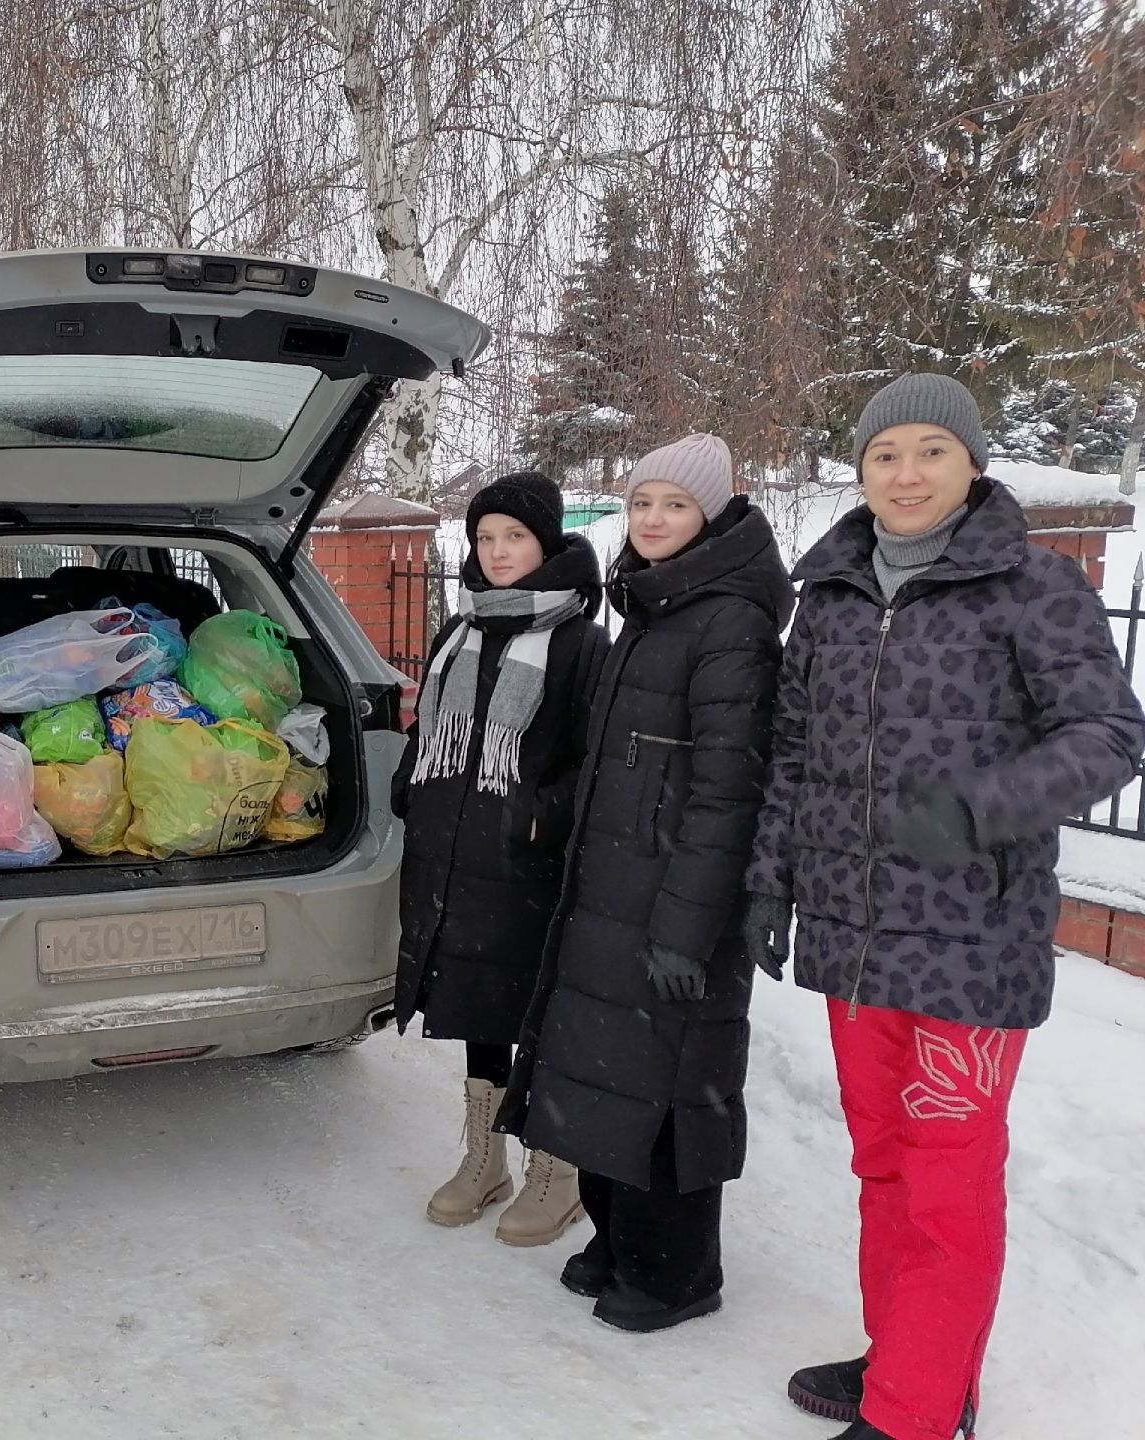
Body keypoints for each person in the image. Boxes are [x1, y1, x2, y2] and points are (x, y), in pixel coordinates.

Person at [743, 375, 1145, 1440]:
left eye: (930, 451)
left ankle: (916, 1415)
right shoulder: (829, 592)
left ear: (972, 462)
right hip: (850, 937)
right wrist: (768, 884)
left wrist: (979, 809)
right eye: (885, 456)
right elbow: (790, 753)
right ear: (862, 471)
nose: (907, 474)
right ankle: (912, 1366)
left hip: (972, 944)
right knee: (884, 1166)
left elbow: (1110, 734)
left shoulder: (1032, 587)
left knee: (945, 1188)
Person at [502, 433, 792, 1333]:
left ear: (711, 511)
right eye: (641, 504)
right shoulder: (655, 608)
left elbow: (727, 792)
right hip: (613, 890)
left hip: (674, 908)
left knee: (668, 1090)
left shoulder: (731, 623)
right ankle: (622, 1239)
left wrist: (687, 927)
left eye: (675, 504)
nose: (654, 519)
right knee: (602, 1073)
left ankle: (677, 1273)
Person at [392, 472, 608, 1243]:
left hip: (531, 867)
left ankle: (557, 1171)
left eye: (514, 536)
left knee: (539, 1013)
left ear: (546, 542)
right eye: (486, 537)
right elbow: (430, 734)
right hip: (456, 856)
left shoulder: (581, 640)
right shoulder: (461, 629)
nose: (498, 551)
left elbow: (597, 760)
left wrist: (536, 816)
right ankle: (484, 1159)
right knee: (477, 1007)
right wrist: (407, 785)